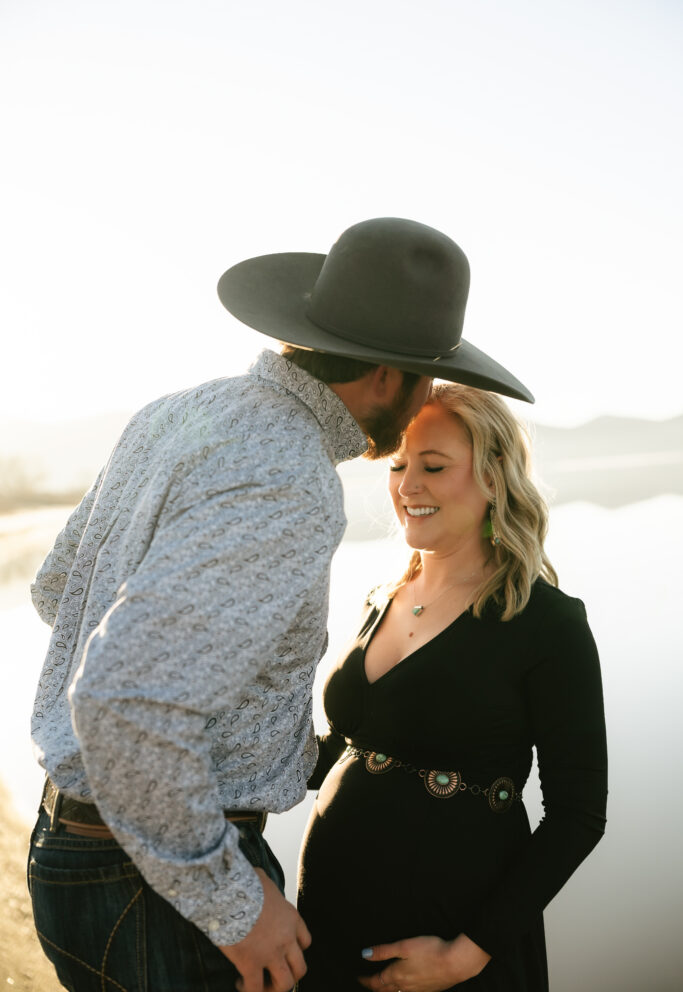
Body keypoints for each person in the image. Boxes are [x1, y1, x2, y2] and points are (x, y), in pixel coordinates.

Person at [27, 217, 533, 992]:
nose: (424, 395)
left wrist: (262, 732)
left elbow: (55, 591)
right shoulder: (291, 476)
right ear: (387, 377)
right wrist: (233, 905)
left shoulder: (177, 412)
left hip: (75, 851)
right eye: (424, 376)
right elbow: (124, 696)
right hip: (163, 881)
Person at [297, 382, 608, 991]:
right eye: (398, 465)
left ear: (494, 477)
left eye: (434, 467)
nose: (407, 486)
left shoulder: (546, 623)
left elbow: (577, 815)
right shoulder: (379, 600)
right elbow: (341, 748)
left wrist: (466, 955)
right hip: (328, 923)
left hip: (451, 938)